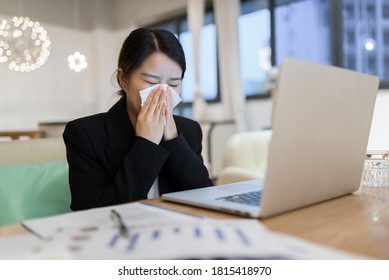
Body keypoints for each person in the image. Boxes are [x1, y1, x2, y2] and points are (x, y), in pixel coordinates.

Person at [63, 28, 213, 211]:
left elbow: (205, 197)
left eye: (173, 84)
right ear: (123, 79)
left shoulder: (189, 130)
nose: (162, 92)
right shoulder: (85, 134)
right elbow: (94, 212)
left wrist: (173, 139)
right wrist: (146, 143)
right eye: (151, 82)